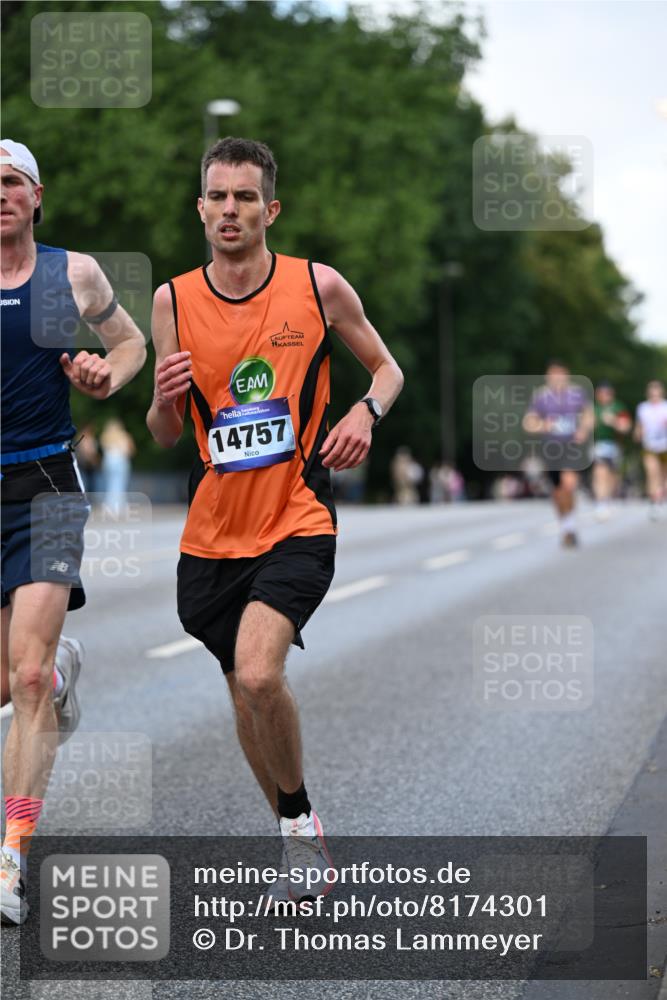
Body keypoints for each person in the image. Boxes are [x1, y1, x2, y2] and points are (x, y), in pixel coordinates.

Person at [147, 137, 403, 901]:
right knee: (243, 693)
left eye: (245, 197)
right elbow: (165, 433)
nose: (230, 210)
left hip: (297, 514)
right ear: (200, 209)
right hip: (211, 532)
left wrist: (364, 412)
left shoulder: (317, 286)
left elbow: (386, 369)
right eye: (218, 197)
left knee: (261, 673)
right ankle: (297, 836)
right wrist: (162, 398)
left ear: (271, 209)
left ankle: (298, 826)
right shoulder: (171, 301)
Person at [0, 140, 146, 925]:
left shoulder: (70, 275)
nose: (0, 194)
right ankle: (61, 677)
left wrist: (104, 376)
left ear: (36, 196)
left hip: (46, 484)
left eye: (11, 181)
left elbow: (130, 344)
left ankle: (11, 858)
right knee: (15, 681)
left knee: (22, 679)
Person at [523, 362, 594, 547]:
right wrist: (542, 426)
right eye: (553, 375)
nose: (557, 379)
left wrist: (583, 430)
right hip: (551, 447)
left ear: (567, 376)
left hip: (571, 446)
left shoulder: (577, 394)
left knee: (569, 484)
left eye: (560, 375)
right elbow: (528, 422)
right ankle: (565, 526)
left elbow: (588, 415)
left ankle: (570, 526)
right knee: (557, 492)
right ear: (548, 377)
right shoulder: (541, 396)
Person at [591, 381, 631, 520]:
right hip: (598, 445)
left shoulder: (618, 407)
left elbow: (626, 428)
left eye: (607, 393)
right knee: (600, 473)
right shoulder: (594, 408)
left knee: (612, 477)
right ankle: (600, 503)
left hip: (614, 445)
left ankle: (607, 499)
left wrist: (613, 421)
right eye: (601, 393)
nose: (604, 396)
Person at [634, 379, 667, 519]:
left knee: (663, 475)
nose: (654, 396)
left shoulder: (665, 406)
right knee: (652, 473)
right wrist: (637, 433)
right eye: (652, 393)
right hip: (649, 445)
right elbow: (639, 425)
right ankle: (654, 502)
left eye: (656, 393)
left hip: (665, 445)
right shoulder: (643, 408)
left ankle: (662, 498)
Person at [100, 417, 135, 512]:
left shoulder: (106, 436)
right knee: (120, 483)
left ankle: (109, 504)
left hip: (108, 460)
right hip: (120, 459)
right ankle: (118, 505)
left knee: (110, 483)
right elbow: (130, 450)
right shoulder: (123, 435)